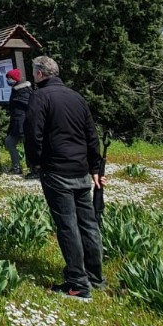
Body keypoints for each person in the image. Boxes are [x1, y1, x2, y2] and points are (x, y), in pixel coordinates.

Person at [24, 55, 105, 299]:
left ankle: (78, 284)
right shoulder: (76, 97)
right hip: (80, 169)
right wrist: (96, 167)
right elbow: (91, 134)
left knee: (67, 225)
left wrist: (35, 162)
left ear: (39, 74)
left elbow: (32, 134)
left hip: (56, 170)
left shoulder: (39, 97)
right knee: (88, 224)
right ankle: (95, 277)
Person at [3, 68, 30, 176]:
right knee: (12, 142)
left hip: (22, 124)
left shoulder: (22, 92)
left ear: (14, 79)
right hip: (19, 123)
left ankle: (19, 167)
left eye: (9, 78)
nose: (8, 80)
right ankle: (21, 167)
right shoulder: (19, 90)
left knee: (11, 142)